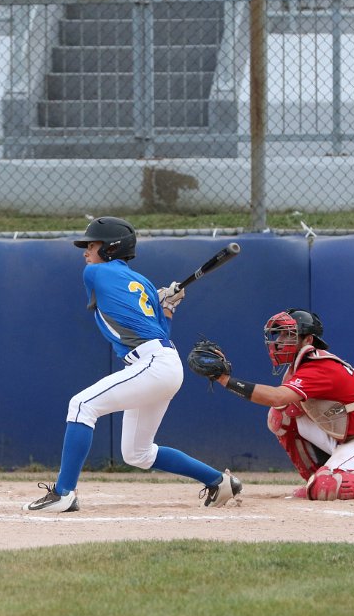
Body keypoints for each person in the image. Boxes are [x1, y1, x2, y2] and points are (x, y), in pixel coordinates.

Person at [23, 216, 242, 512]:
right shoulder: (145, 284)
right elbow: (161, 330)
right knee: (137, 453)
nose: (86, 252)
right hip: (163, 363)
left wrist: (161, 300)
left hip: (153, 363)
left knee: (81, 405)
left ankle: (63, 494)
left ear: (111, 248)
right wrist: (166, 305)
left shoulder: (94, 272)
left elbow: (124, 308)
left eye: (92, 245)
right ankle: (218, 481)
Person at [189, 309, 354, 501]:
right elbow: (281, 407)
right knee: (280, 416)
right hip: (348, 436)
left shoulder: (318, 366)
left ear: (308, 340)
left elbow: (276, 396)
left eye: (288, 335)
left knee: (326, 482)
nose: (280, 341)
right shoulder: (298, 367)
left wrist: (226, 380)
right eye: (279, 335)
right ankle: (315, 479)